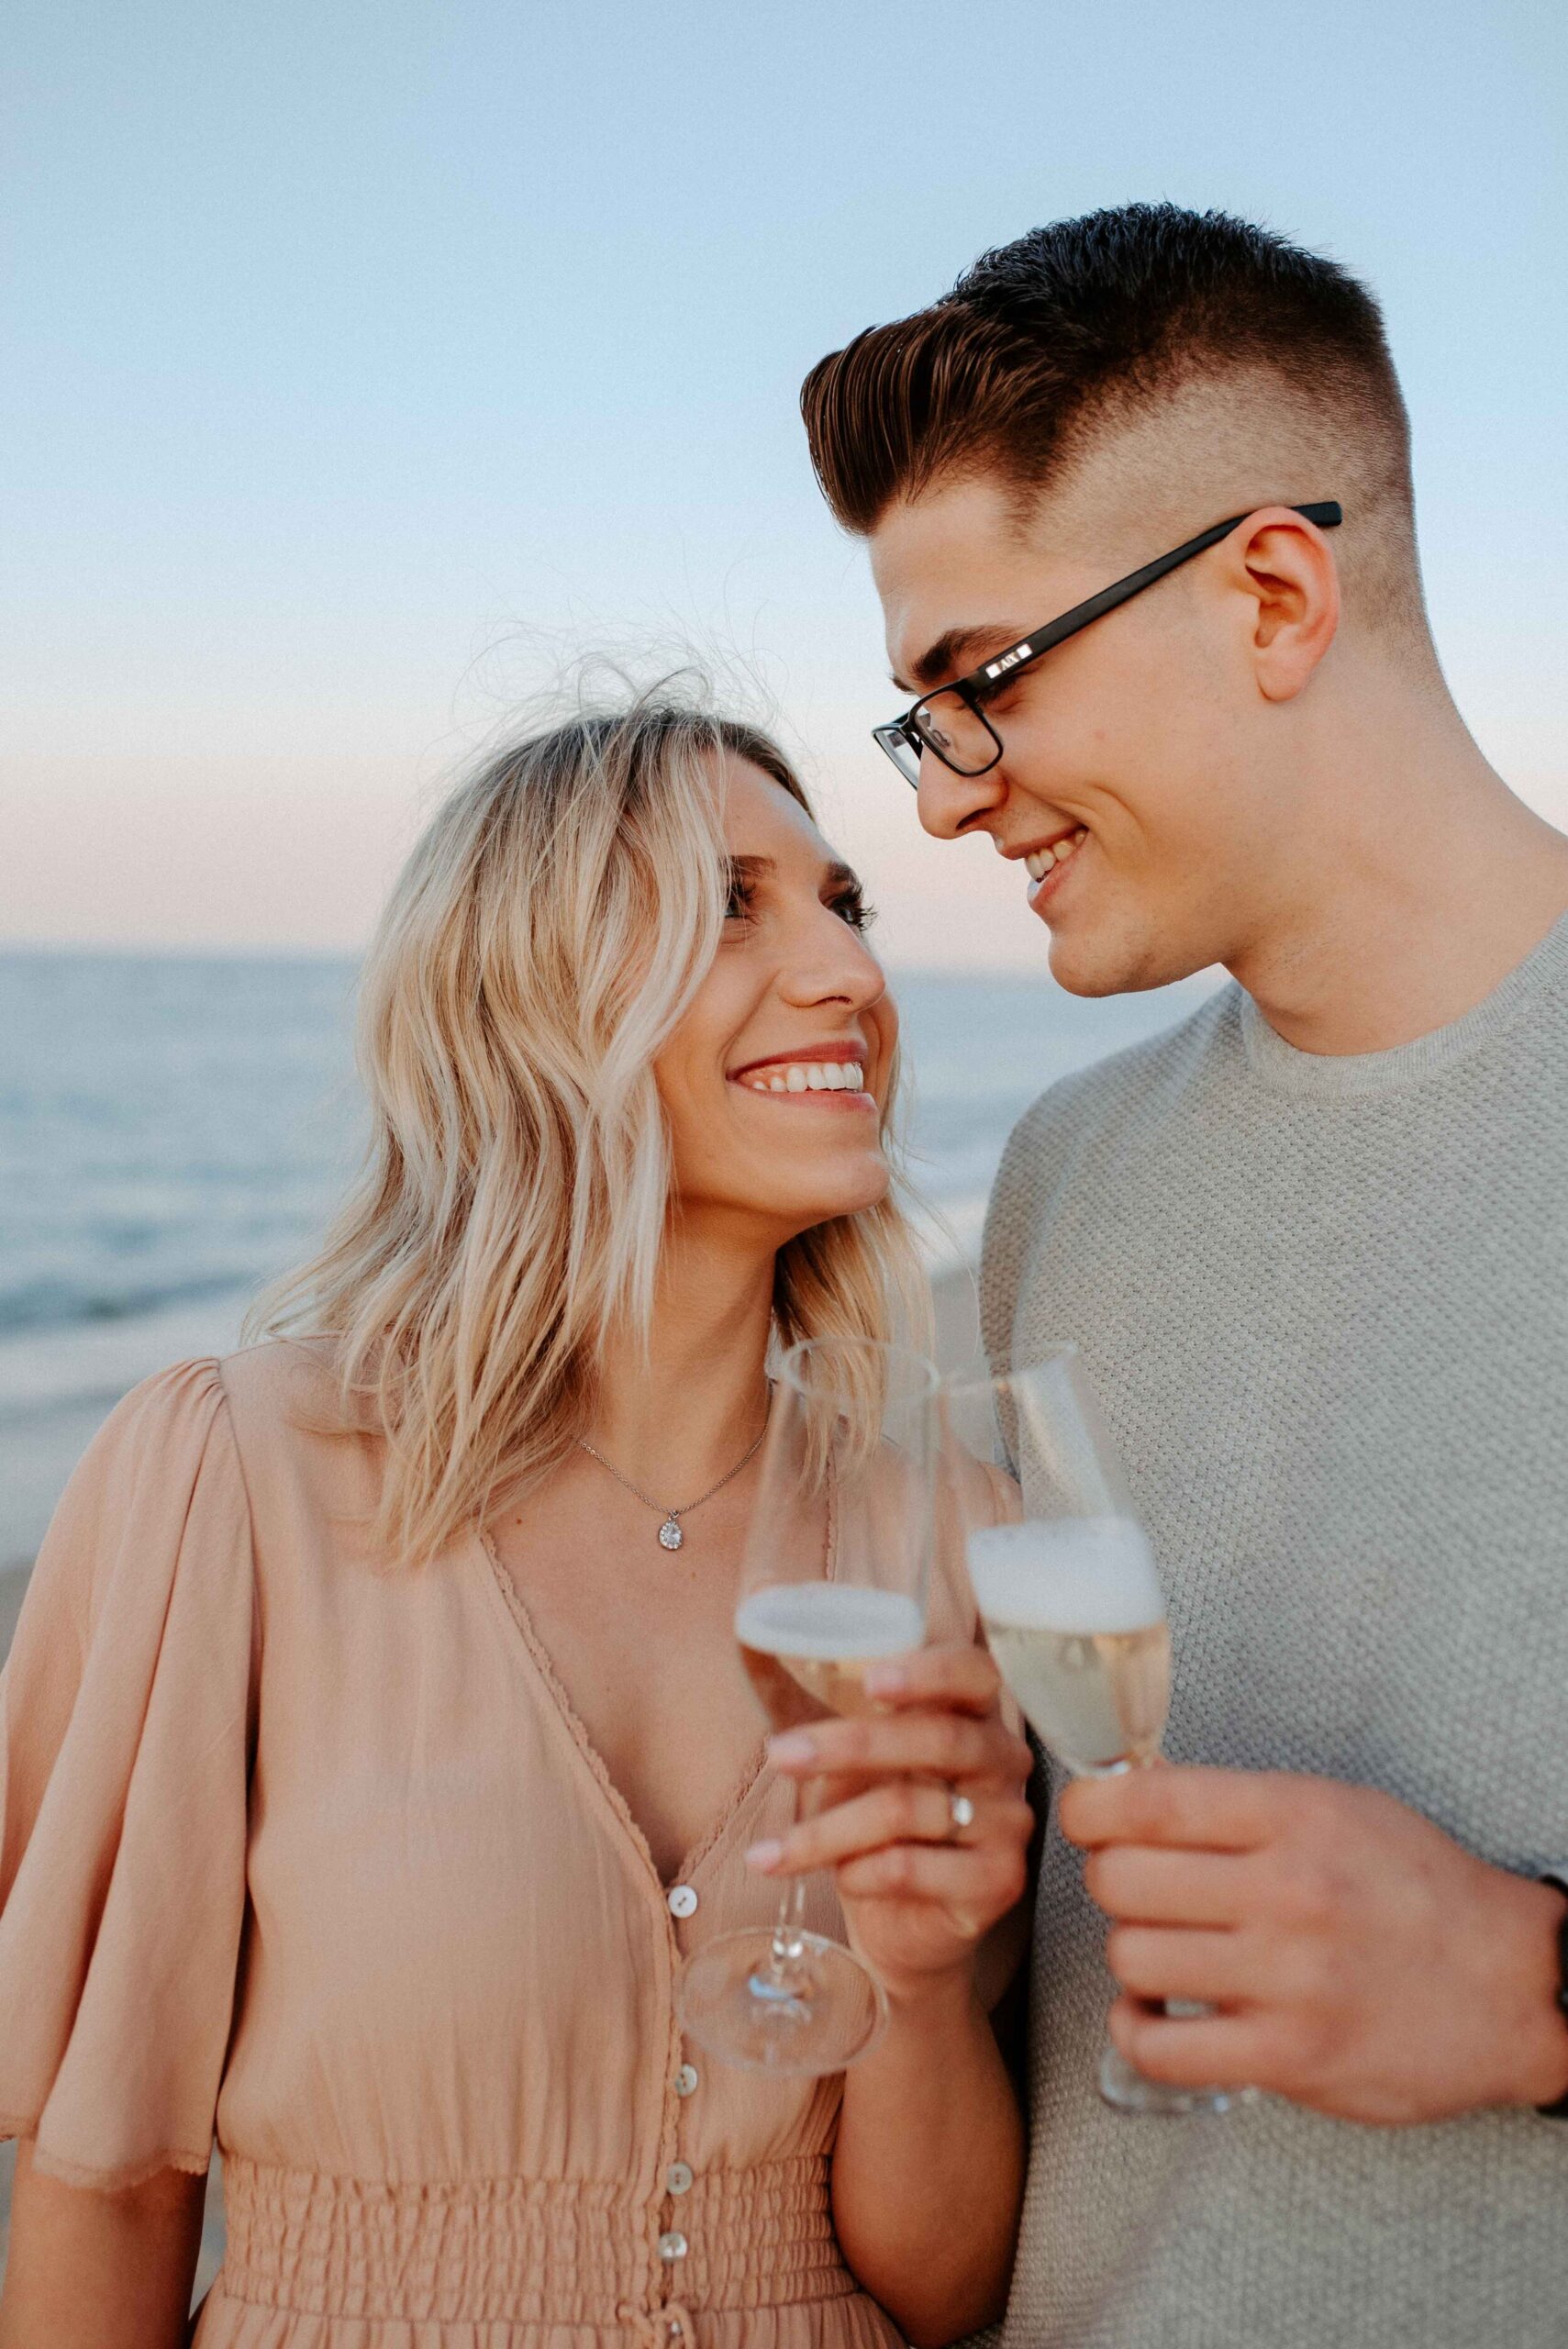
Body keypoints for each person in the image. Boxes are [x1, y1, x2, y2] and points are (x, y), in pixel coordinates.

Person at [0, 692, 1033, 2349]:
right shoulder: (239, 1477)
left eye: (844, 904)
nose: (847, 973)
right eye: (725, 908)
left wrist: (914, 1981)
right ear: (529, 1005)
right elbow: (111, 2178)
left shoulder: (947, 1537)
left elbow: (938, 2290)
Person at [799, 204, 1568, 2346]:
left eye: (983, 683)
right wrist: (936, 1911)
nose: (950, 803)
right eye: (917, 717)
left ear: (1272, 589)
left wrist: (1541, 1988)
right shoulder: (1066, 1174)